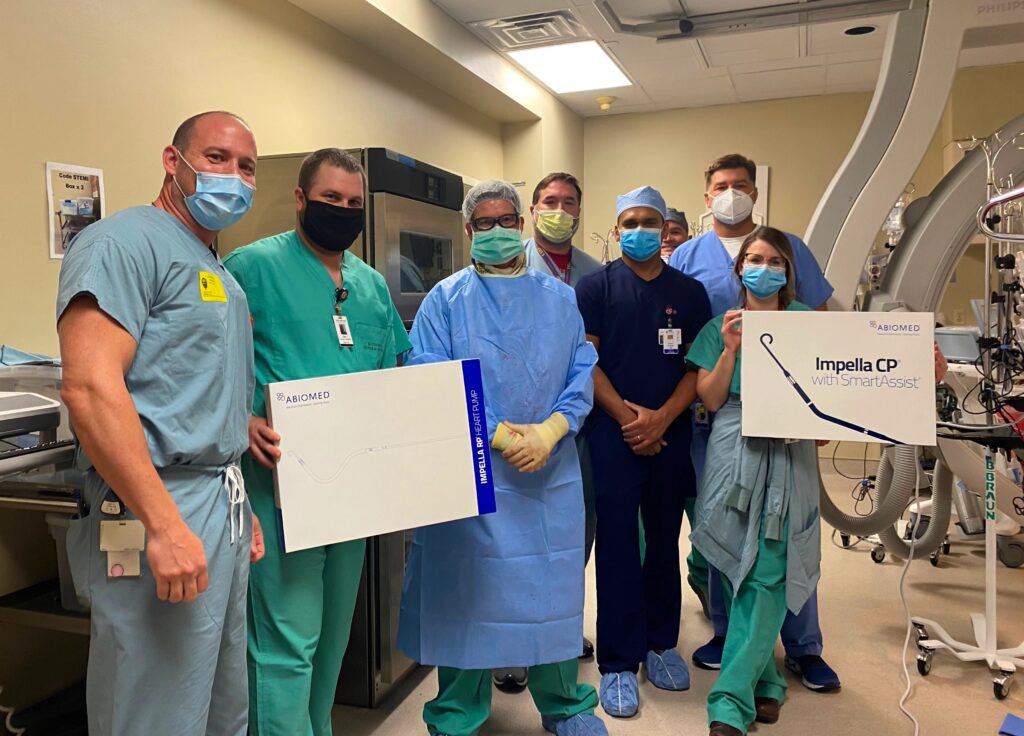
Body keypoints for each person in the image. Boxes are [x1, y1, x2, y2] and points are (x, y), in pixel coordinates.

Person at [56, 110, 264, 736]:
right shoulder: (121, 243)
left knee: (221, 703)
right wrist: (165, 523)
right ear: (173, 162)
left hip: (216, 501)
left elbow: (199, 395)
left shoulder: (215, 268)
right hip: (155, 504)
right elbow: (91, 387)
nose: (233, 176)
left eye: (246, 167)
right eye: (217, 158)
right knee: (154, 709)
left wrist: (237, 498)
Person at [397, 180, 606, 736]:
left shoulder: (560, 298)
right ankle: (457, 713)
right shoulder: (444, 300)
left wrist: (551, 430)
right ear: (468, 232)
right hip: (472, 474)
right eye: (482, 223)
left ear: (522, 224)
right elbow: (430, 375)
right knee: (467, 593)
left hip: (548, 473)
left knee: (548, 594)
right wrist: (494, 435)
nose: (495, 231)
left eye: (505, 220)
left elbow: (581, 373)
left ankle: (565, 704)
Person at [223, 148, 411, 736]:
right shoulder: (248, 269)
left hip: (349, 491)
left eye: (354, 203)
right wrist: (240, 416)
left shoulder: (371, 285)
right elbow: (206, 361)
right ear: (301, 199)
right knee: (285, 643)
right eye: (331, 199)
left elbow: (391, 378)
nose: (344, 211)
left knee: (332, 639)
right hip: (278, 486)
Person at [669, 153, 840, 692]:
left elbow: (839, 337)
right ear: (706, 195)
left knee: (791, 528)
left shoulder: (790, 247)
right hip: (718, 420)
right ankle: (728, 633)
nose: (731, 193)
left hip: (789, 418)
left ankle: (803, 645)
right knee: (722, 528)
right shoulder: (688, 256)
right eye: (721, 185)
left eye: (740, 185)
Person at [575, 185, 711, 718]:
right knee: (614, 548)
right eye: (629, 222)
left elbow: (697, 368)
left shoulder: (691, 293)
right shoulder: (594, 288)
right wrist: (631, 418)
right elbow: (586, 362)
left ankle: (659, 645)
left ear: (666, 229)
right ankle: (616, 662)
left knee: (663, 543)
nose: (639, 231)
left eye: (649, 222)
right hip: (613, 433)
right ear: (616, 231)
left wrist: (662, 419)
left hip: (671, 433)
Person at [686, 226, 825, 736]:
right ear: (738, 267)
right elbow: (712, 399)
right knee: (725, 555)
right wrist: (729, 349)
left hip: (789, 449)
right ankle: (767, 680)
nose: (762, 268)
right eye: (753, 259)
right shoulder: (720, 326)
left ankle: (730, 700)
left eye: (774, 261)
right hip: (732, 442)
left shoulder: (807, 323)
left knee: (768, 565)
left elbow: (837, 389)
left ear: (788, 272)